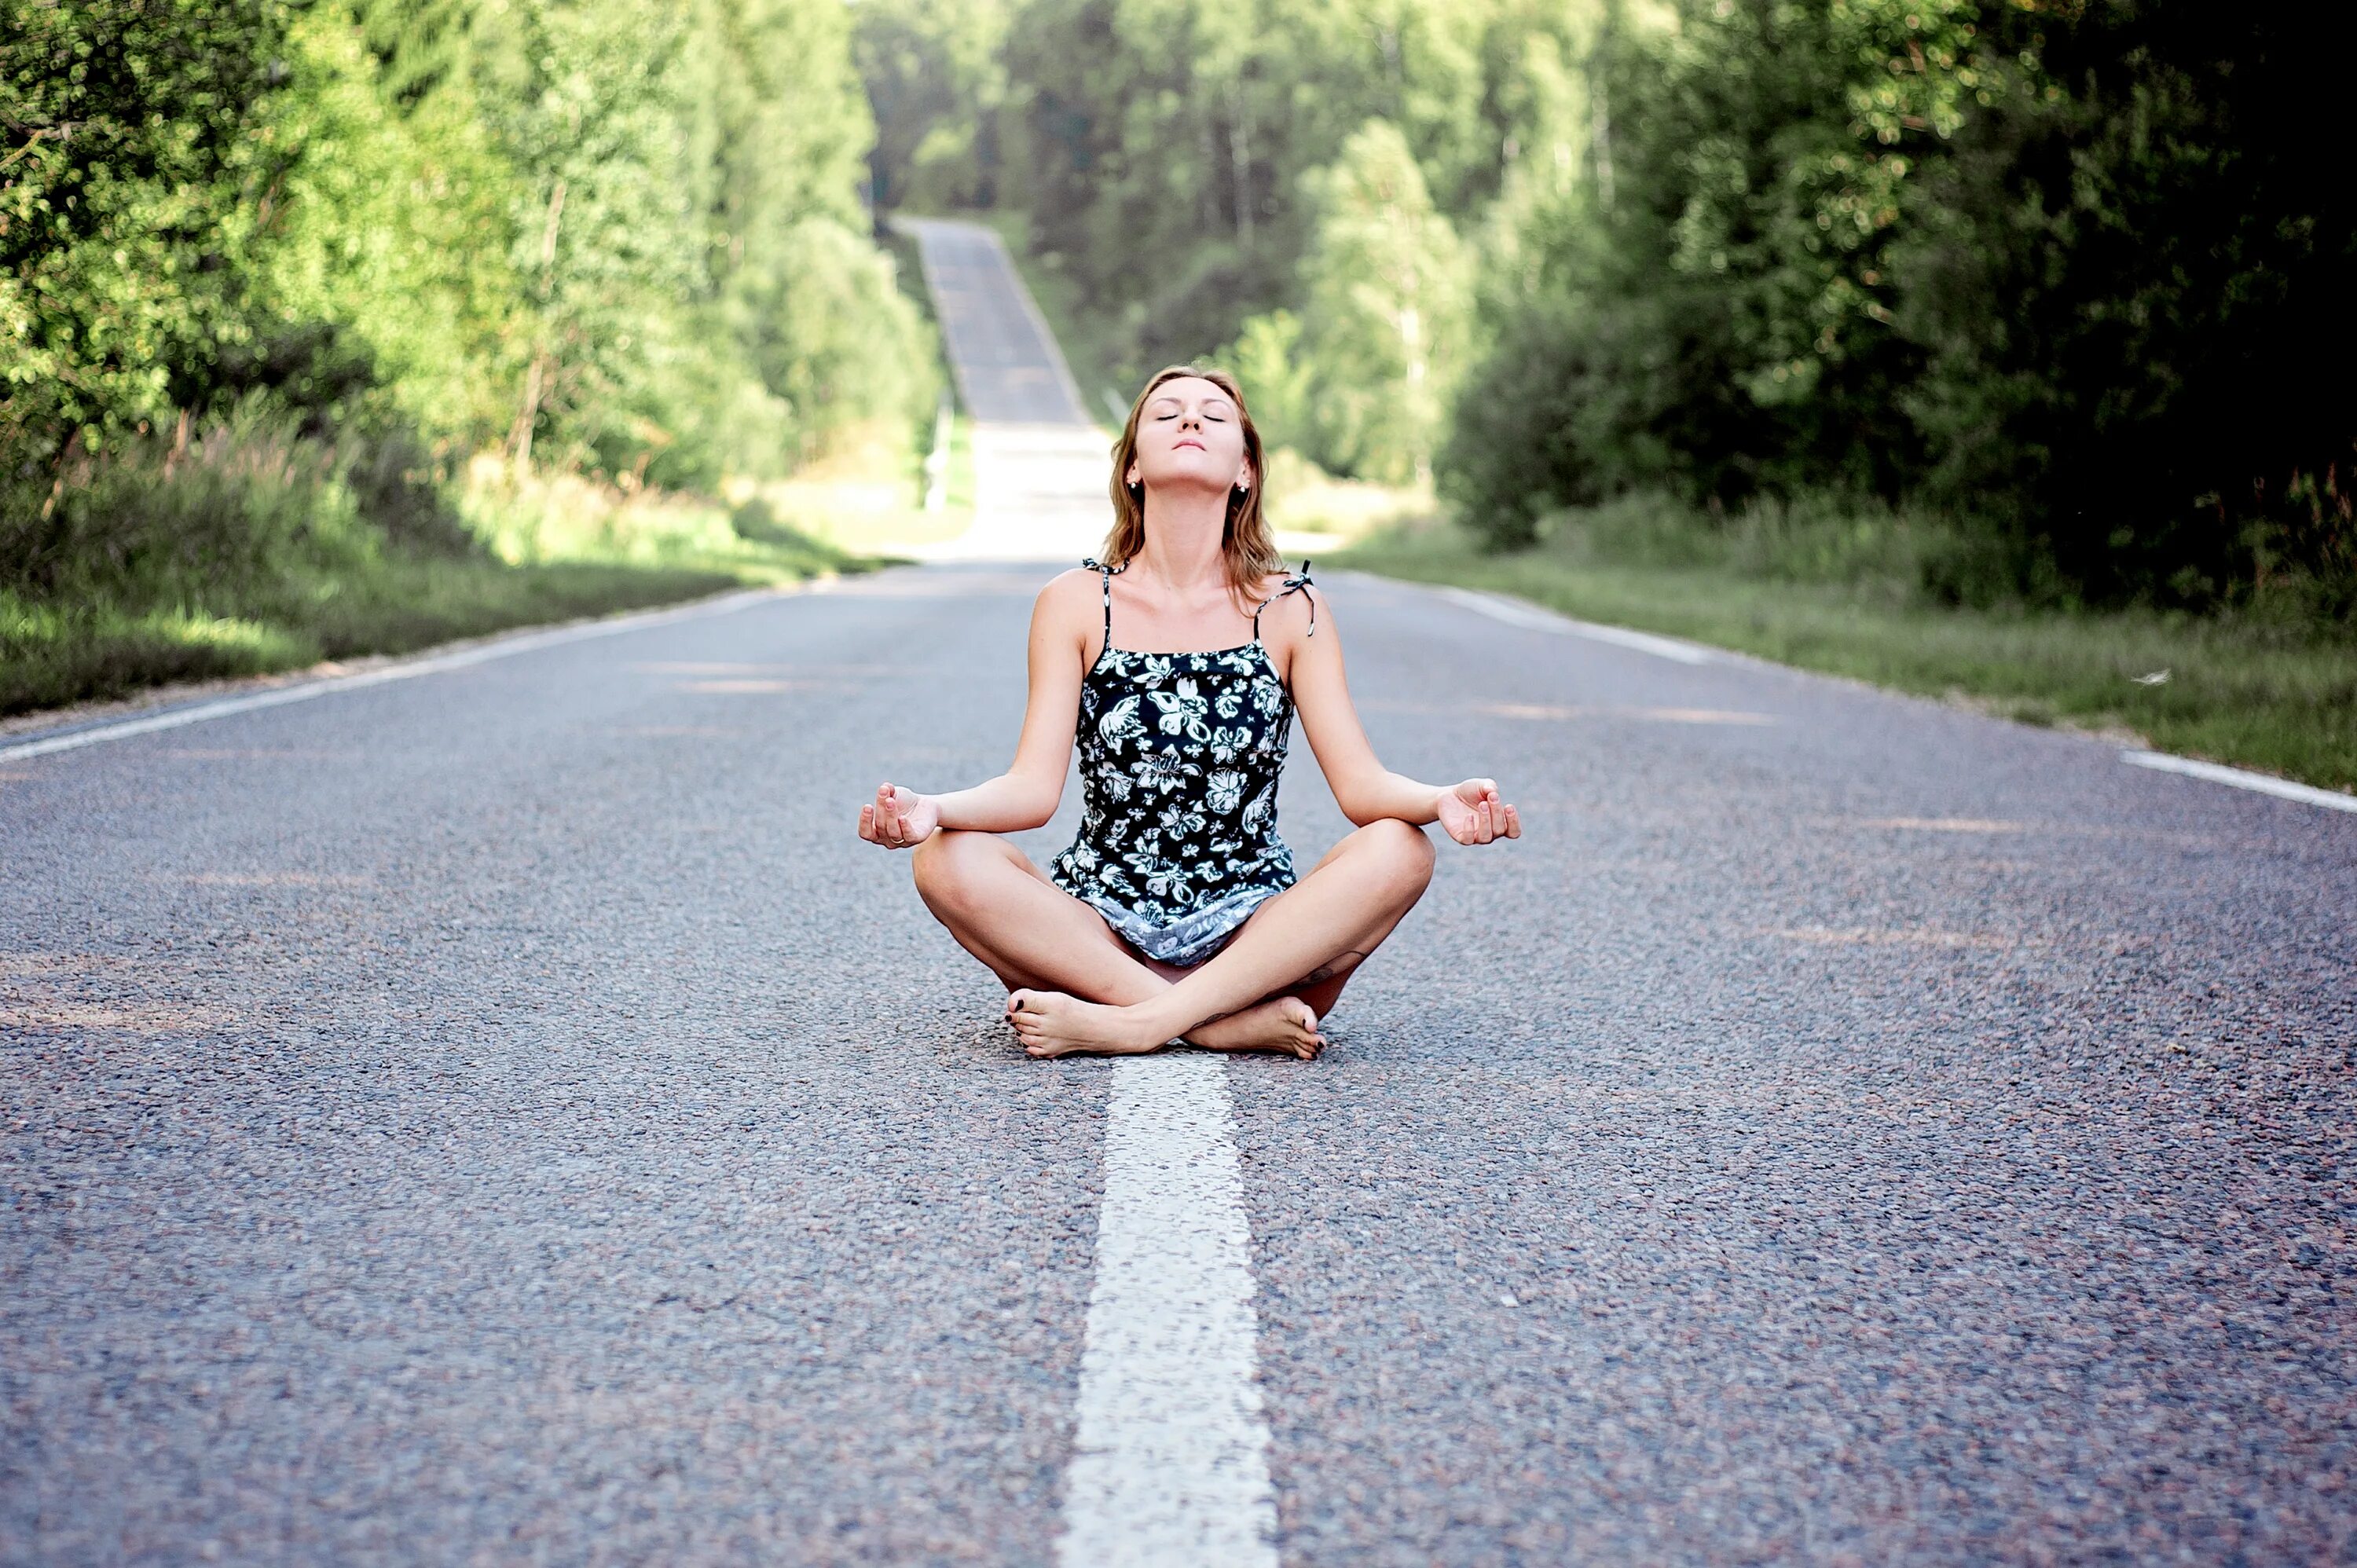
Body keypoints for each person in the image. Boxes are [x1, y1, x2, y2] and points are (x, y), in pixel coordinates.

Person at [856, 365, 1521, 1059]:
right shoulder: (1077, 601)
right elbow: (1030, 790)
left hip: (1256, 941)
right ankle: (1212, 1025)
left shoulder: (1292, 609)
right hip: (1100, 935)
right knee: (946, 860)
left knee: (1400, 848)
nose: (1190, 420)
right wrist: (933, 808)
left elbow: (1362, 789)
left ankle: (1137, 1024)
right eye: (1166, 412)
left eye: (1214, 414)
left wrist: (1442, 799)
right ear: (1135, 467)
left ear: (1246, 471)